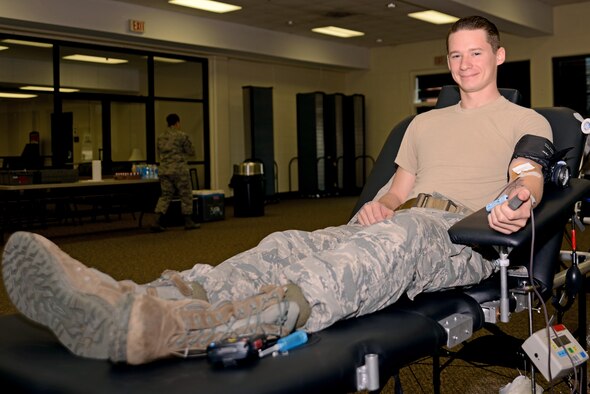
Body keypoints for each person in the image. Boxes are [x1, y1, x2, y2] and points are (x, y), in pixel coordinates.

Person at [2, 16, 554, 365]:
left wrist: (515, 203)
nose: (463, 65)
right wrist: (378, 205)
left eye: (475, 53)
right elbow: (397, 191)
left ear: (498, 56)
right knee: (286, 241)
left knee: (393, 239)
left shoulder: (525, 119)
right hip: (404, 220)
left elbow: (527, 177)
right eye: (455, 55)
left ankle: (184, 331)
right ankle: (137, 296)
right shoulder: (422, 125)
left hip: (462, 238)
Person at [151, 113, 199, 232]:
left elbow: (159, 153)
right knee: (186, 194)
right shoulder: (182, 135)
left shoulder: (160, 137)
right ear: (177, 123)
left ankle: (156, 221)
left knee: (166, 195)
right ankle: (188, 221)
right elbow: (191, 151)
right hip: (179, 170)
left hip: (164, 170)